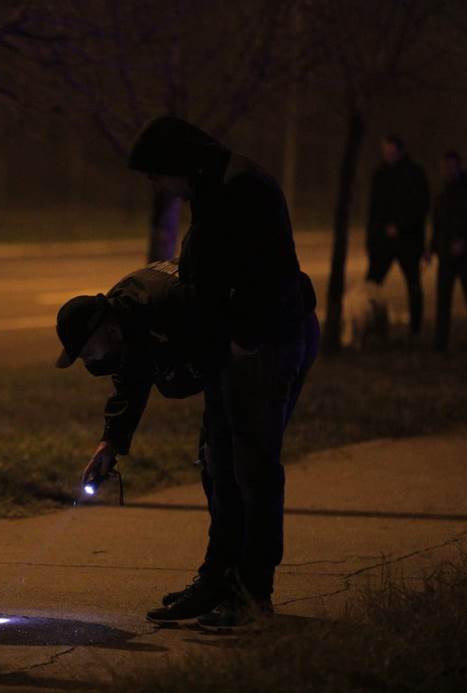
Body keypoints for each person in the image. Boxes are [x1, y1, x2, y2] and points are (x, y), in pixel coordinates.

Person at [126, 116, 318, 630]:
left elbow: (266, 271)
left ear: (177, 163)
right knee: (220, 468)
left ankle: (252, 593)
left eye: (156, 175)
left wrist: (244, 336)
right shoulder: (214, 187)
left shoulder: (240, 187)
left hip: (259, 348)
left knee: (252, 472)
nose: (157, 187)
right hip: (232, 350)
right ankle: (218, 580)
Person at [366, 135, 430, 338]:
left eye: (392, 152)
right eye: (386, 152)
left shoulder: (414, 174)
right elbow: (374, 209)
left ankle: (415, 328)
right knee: (372, 285)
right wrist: (374, 237)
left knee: (413, 284)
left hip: (408, 241)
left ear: (401, 151)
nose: (389, 155)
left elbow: (420, 206)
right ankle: (373, 326)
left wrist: (400, 226)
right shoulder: (380, 174)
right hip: (384, 241)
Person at [429, 151, 467, 354]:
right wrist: (432, 249)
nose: (448, 171)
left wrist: (465, 242)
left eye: (452, 167)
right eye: (445, 168)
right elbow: (438, 225)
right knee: (443, 299)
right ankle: (440, 343)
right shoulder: (442, 194)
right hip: (446, 255)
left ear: (459, 167)